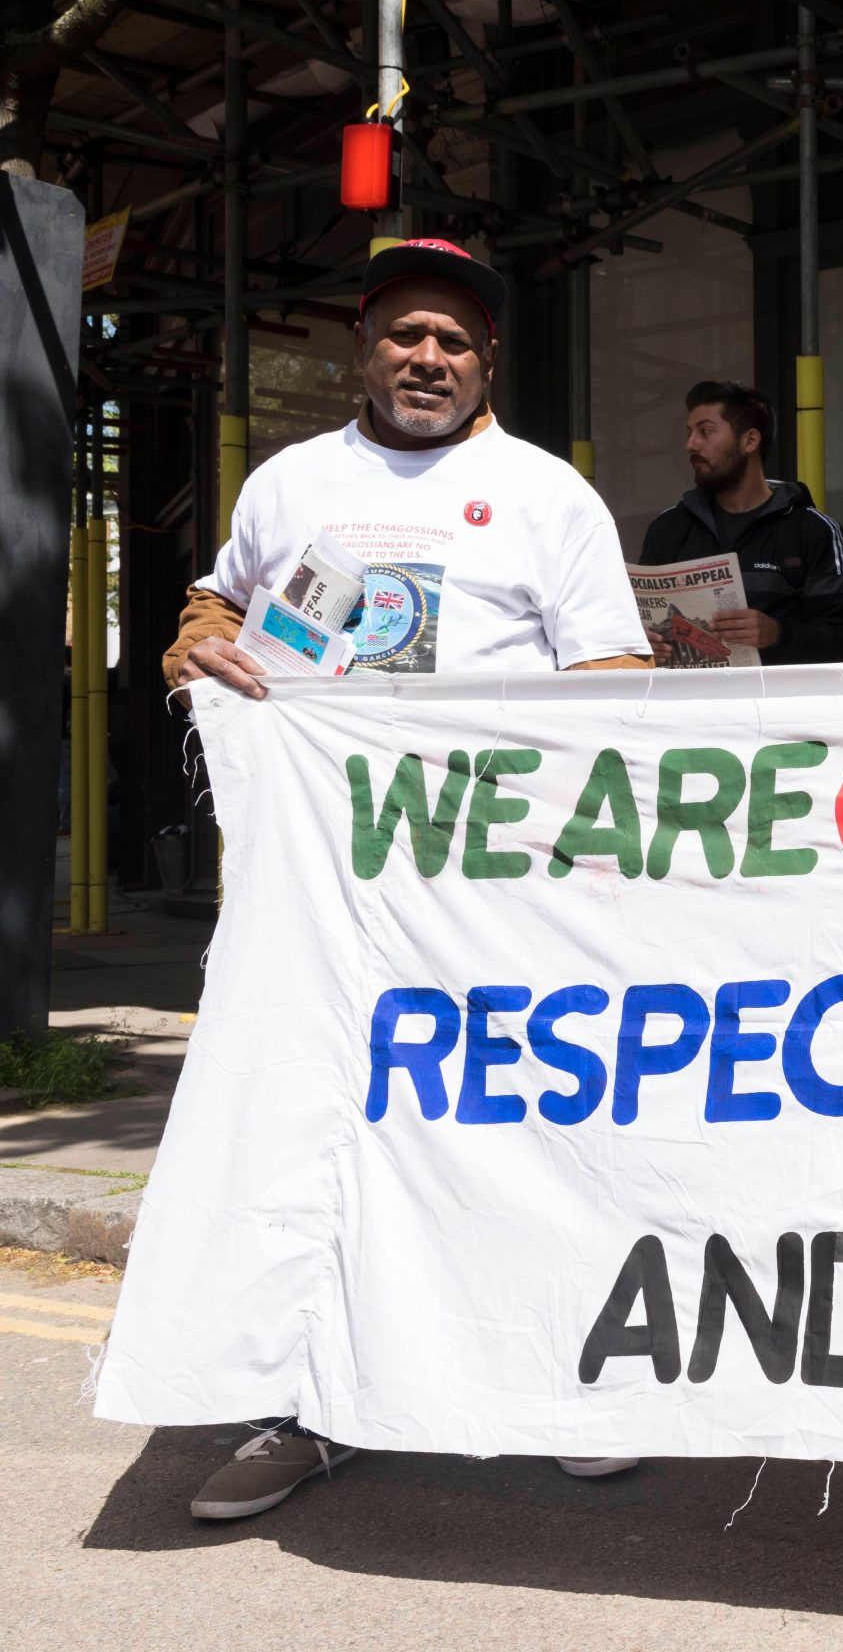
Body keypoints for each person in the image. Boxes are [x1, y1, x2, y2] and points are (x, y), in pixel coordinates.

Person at [161, 236, 652, 1519]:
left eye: (453, 339)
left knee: (517, 1131)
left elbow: (616, 685)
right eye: (403, 334)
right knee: (309, 1141)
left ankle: (560, 1384)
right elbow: (215, 607)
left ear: (487, 358)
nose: (427, 357)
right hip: (317, 895)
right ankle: (305, 1409)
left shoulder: (548, 495)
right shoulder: (288, 483)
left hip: (493, 895)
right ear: (362, 349)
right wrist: (198, 648)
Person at [636, 380, 843, 664]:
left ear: (750, 441)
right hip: (687, 704)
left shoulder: (812, 528)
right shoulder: (668, 527)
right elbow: (631, 627)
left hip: (780, 705)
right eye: (689, 433)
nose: (690, 444)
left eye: (706, 431)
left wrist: (778, 634)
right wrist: (643, 645)